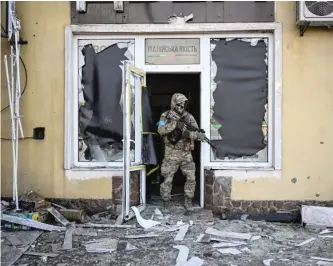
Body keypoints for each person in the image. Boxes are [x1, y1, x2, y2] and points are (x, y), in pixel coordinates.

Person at [157, 93, 205, 213]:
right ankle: (165, 203)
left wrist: (188, 134)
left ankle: (188, 201)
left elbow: (200, 136)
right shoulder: (165, 116)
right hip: (170, 153)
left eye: (183, 104)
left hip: (186, 153)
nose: (181, 106)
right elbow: (161, 130)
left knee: (191, 178)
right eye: (179, 104)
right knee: (167, 179)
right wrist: (174, 124)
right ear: (173, 104)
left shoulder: (189, 118)